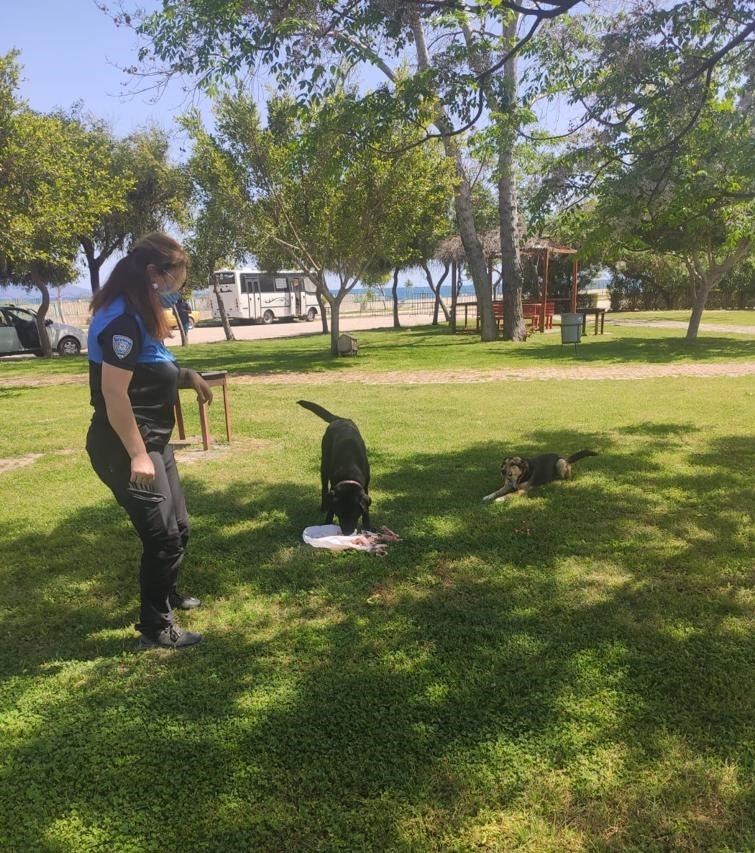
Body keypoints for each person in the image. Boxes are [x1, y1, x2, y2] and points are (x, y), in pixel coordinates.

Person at [86, 232, 213, 649]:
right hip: (124, 447)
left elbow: (155, 364)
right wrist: (138, 454)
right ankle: (156, 628)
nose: (179, 288)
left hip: (155, 441)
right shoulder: (122, 320)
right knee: (162, 538)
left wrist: (189, 377)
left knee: (180, 527)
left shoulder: (143, 309)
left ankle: (168, 595)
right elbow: (114, 393)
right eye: (176, 278)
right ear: (153, 274)